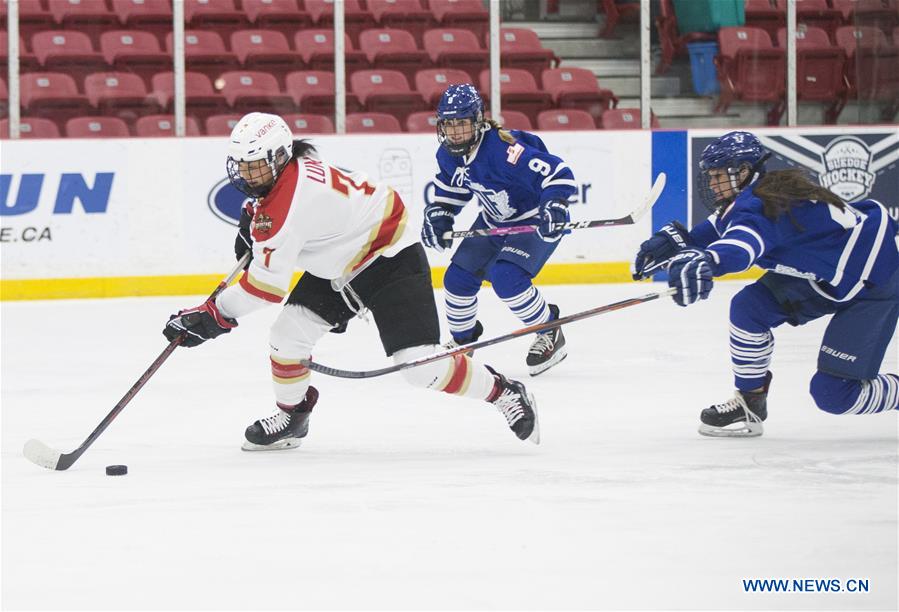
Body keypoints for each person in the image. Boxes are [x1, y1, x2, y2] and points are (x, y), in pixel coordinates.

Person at [163, 112, 540, 450]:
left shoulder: (288, 204)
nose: (246, 175)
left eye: (255, 167)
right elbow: (286, 218)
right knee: (287, 337)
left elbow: (264, 289)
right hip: (342, 261)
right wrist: (253, 212)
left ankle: (504, 392)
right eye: (242, 167)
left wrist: (213, 315)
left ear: (279, 158)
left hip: (390, 258)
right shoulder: (289, 173)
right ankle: (293, 417)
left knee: (420, 367)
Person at [633, 130, 898, 437]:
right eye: (712, 175)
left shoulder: (761, 205)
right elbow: (720, 229)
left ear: (745, 171)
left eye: (721, 175)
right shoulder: (755, 196)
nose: (714, 183)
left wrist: (710, 261)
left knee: (834, 394)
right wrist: (681, 241)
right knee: (749, 309)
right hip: (828, 277)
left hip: (876, 280)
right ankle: (750, 403)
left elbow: (742, 245)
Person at [421, 84, 576, 376]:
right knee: (456, 280)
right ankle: (462, 344)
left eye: (462, 124)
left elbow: (558, 173)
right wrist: (441, 212)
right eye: (449, 125)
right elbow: (452, 187)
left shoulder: (505, 151)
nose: (455, 133)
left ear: (478, 121)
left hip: (531, 222)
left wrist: (555, 204)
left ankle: (549, 330)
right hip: (494, 222)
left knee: (507, 278)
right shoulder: (448, 154)